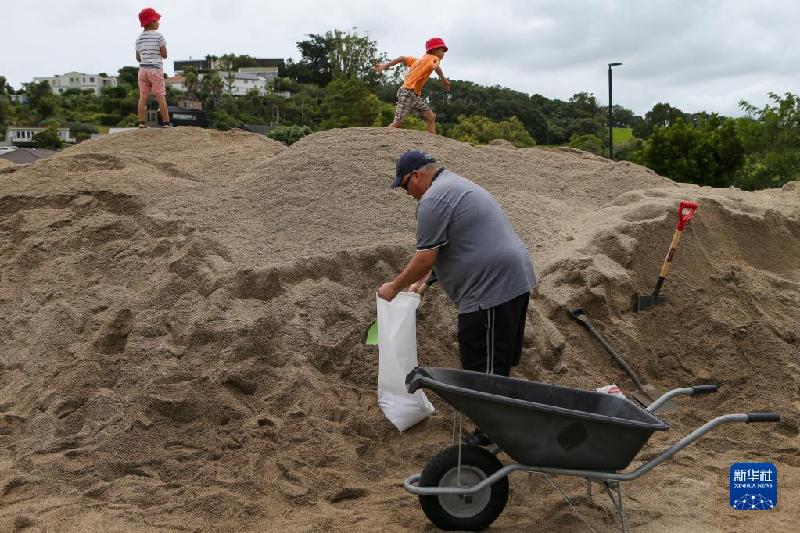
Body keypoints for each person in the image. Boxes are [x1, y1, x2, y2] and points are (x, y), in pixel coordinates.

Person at [377, 150, 537, 446]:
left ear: (417, 176)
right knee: (498, 362)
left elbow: (425, 257)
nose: (406, 193)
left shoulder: (433, 199)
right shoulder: (455, 186)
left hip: (489, 289)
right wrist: (425, 284)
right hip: (513, 279)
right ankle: (502, 423)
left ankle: (491, 434)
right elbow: (461, 244)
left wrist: (394, 287)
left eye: (404, 185)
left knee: (482, 365)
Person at [374, 38, 451, 134]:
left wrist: (385, 65)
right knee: (397, 123)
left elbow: (402, 58)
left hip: (413, 94)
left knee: (430, 116)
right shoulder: (434, 58)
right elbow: (436, 67)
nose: (443, 53)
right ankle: (382, 138)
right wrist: (443, 79)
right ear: (434, 50)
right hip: (407, 92)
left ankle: (432, 141)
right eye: (442, 50)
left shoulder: (418, 61)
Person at [135, 7, 172, 128]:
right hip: (155, 70)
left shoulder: (139, 38)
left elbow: (138, 58)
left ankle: (141, 123)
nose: (159, 22)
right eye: (157, 20)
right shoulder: (159, 36)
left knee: (143, 97)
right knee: (160, 96)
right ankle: (166, 123)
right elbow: (165, 55)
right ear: (151, 22)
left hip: (142, 71)